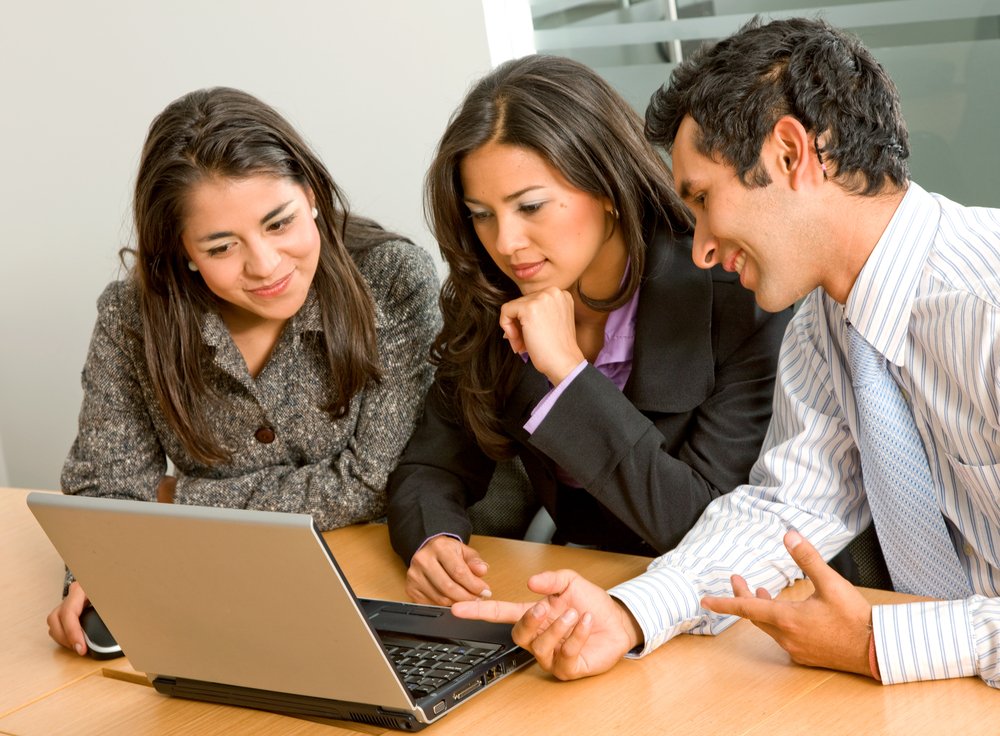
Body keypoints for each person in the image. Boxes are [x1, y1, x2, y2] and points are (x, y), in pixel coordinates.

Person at [453, 17, 1000, 689]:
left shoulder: (987, 307)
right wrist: (628, 614)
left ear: (792, 154)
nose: (703, 247)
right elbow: (785, 510)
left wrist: (880, 642)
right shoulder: (826, 326)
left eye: (705, 200)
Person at [47, 87, 441, 655]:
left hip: (389, 587)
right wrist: (95, 573)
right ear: (182, 248)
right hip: (224, 599)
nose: (265, 265)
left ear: (310, 196)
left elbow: (372, 483)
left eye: (278, 224)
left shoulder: (392, 279)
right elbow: (104, 490)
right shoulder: (132, 316)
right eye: (222, 247)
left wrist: (174, 503)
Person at [386, 54, 791, 606]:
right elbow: (432, 463)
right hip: (576, 591)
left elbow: (699, 527)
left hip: (719, 606)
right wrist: (434, 539)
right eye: (481, 214)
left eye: (530, 206)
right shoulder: (493, 298)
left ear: (605, 185)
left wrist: (568, 372)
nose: (505, 242)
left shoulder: (737, 299)